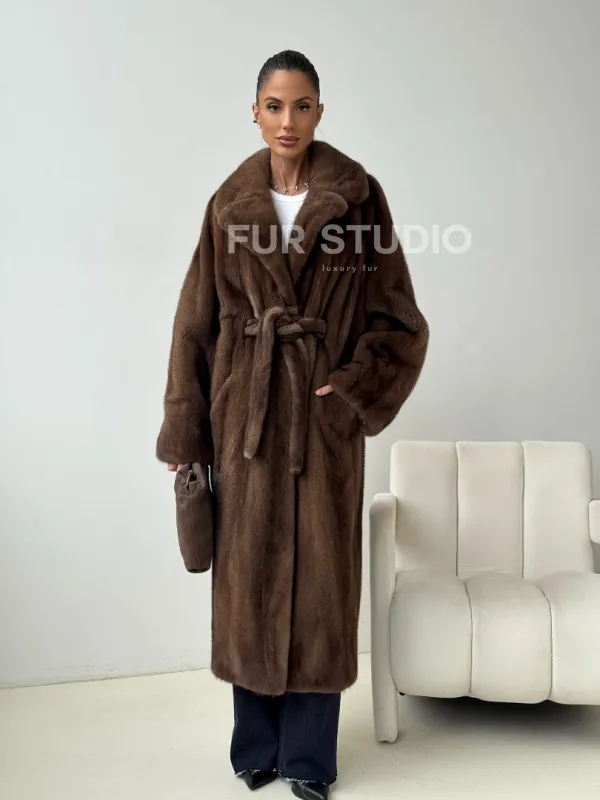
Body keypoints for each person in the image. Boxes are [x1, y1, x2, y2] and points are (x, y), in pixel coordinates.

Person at [155, 50, 429, 800]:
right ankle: (255, 747)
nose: (287, 120)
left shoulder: (357, 197)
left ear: (319, 112)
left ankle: (309, 757)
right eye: (274, 106)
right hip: (244, 414)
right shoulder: (228, 203)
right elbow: (195, 321)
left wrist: (350, 389)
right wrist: (186, 430)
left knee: (320, 584)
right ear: (255, 112)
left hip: (319, 421)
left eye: (302, 105)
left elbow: (399, 318)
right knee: (247, 578)